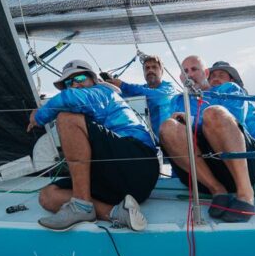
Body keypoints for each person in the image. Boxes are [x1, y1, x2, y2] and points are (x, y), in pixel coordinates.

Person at [28, 60, 160, 231]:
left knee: (67, 118)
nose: (75, 84)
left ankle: (81, 205)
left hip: (138, 163)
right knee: (48, 196)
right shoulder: (83, 102)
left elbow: (70, 98)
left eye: (81, 77)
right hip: (114, 178)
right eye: (69, 82)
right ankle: (116, 213)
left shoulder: (103, 92)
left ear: (94, 80)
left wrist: (38, 116)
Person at [159, 56, 255, 223]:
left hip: (241, 164)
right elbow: (174, 139)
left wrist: (191, 119)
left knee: (214, 112)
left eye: (194, 69)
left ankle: (246, 196)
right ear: (181, 77)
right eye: (185, 71)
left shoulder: (228, 90)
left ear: (205, 72)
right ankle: (218, 191)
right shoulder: (177, 100)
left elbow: (236, 120)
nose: (189, 74)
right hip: (203, 174)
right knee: (168, 126)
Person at [101, 54, 175, 138]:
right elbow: (120, 97)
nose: (150, 70)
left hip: (169, 139)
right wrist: (108, 86)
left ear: (161, 71)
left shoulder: (169, 87)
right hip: (149, 141)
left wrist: (123, 85)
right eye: (147, 68)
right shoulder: (140, 90)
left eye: (154, 67)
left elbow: (156, 97)